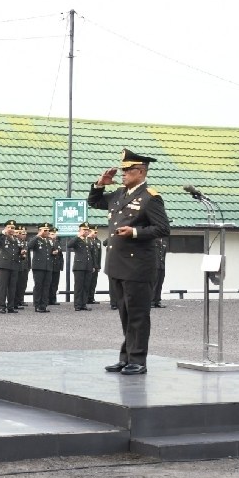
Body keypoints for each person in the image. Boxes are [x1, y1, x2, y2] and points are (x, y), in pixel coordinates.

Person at [88, 148, 171, 375]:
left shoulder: (150, 198)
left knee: (138, 315)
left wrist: (134, 232)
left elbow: (163, 229)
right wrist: (100, 184)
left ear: (141, 172)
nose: (123, 174)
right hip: (117, 264)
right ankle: (126, 358)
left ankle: (138, 360)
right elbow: (94, 202)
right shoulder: (119, 194)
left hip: (137, 266)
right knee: (125, 314)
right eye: (123, 170)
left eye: (128, 170)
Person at [0, 220, 22, 313]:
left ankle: (10, 307)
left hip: (14, 265)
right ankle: (2, 306)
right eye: (9, 227)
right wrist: (2, 232)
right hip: (4, 266)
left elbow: (19, 252)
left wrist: (22, 254)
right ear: (5, 228)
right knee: (3, 287)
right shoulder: (2, 238)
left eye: (13, 228)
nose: (11, 229)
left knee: (12, 287)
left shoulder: (16, 239)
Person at [27, 222, 53, 312]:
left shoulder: (49, 240)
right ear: (40, 231)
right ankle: (37, 305)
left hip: (48, 266)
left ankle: (43, 305)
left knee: (46, 286)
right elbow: (29, 246)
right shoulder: (36, 239)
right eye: (45, 230)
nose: (47, 232)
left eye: (48, 230)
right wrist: (37, 235)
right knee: (38, 286)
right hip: (38, 267)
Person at [68, 222, 94, 311]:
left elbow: (91, 253)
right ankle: (77, 305)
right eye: (84, 230)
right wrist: (78, 236)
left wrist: (93, 265)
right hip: (79, 266)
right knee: (79, 286)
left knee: (86, 286)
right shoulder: (77, 239)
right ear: (80, 230)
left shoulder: (88, 240)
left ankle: (83, 304)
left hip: (88, 266)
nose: (86, 231)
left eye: (87, 230)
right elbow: (69, 245)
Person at [47, 226, 64, 306]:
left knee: (55, 284)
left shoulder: (57, 243)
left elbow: (61, 255)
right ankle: (47, 299)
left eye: (55, 234)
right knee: (48, 283)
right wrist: (51, 253)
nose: (54, 235)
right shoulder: (47, 242)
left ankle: (53, 299)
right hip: (49, 265)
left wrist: (61, 265)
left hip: (56, 266)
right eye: (52, 234)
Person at [15, 226, 30, 308]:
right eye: (22, 233)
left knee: (23, 285)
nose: (24, 235)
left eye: (25, 234)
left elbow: (28, 256)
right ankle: (16, 301)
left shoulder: (26, 243)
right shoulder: (15, 241)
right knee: (17, 284)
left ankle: (21, 300)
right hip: (18, 266)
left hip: (25, 266)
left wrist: (29, 266)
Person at [86, 226, 102, 304]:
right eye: (94, 232)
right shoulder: (87, 240)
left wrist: (98, 266)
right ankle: (86, 298)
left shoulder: (98, 241)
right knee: (88, 282)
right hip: (89, 265)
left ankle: (91, 298)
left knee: (93, 283)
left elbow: (99, 255)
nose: (95, 234)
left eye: (96, 232)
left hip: (95, 265)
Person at [151, 236, 168, 308]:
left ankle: (157, 301)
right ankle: (151, 301)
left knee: (160, 284)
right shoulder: (153, 242)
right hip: (154, 266)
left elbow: (164, 255)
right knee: (154, 284)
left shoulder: (164, 242)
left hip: (162, 266)